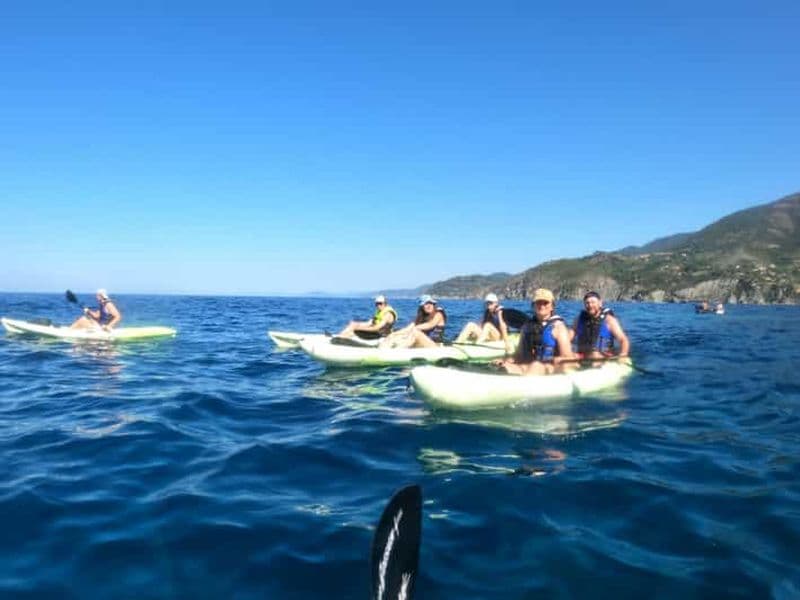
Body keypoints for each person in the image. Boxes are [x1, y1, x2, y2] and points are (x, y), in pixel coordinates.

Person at [496, 288, 573, 375]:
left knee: (536, 366)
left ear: (552, 306)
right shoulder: (526, 327)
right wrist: (505, 361)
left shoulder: (559, 327)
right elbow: (519, 356)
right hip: (528, 366)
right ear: (533, 306)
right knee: (503, 366)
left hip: (551, 369)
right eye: (538, 302)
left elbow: (568, 358)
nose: (542, 306)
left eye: (546, 303)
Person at [570, 291, 629, 358]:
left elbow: (623, 340)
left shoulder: (609, 320)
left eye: (593, 302)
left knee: (595, 355)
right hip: (582, 355)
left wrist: (623, 354)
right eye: (587, 303)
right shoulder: (578, 320)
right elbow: (568, 337)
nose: (590, 305)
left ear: (600, 303)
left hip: (603, 357)